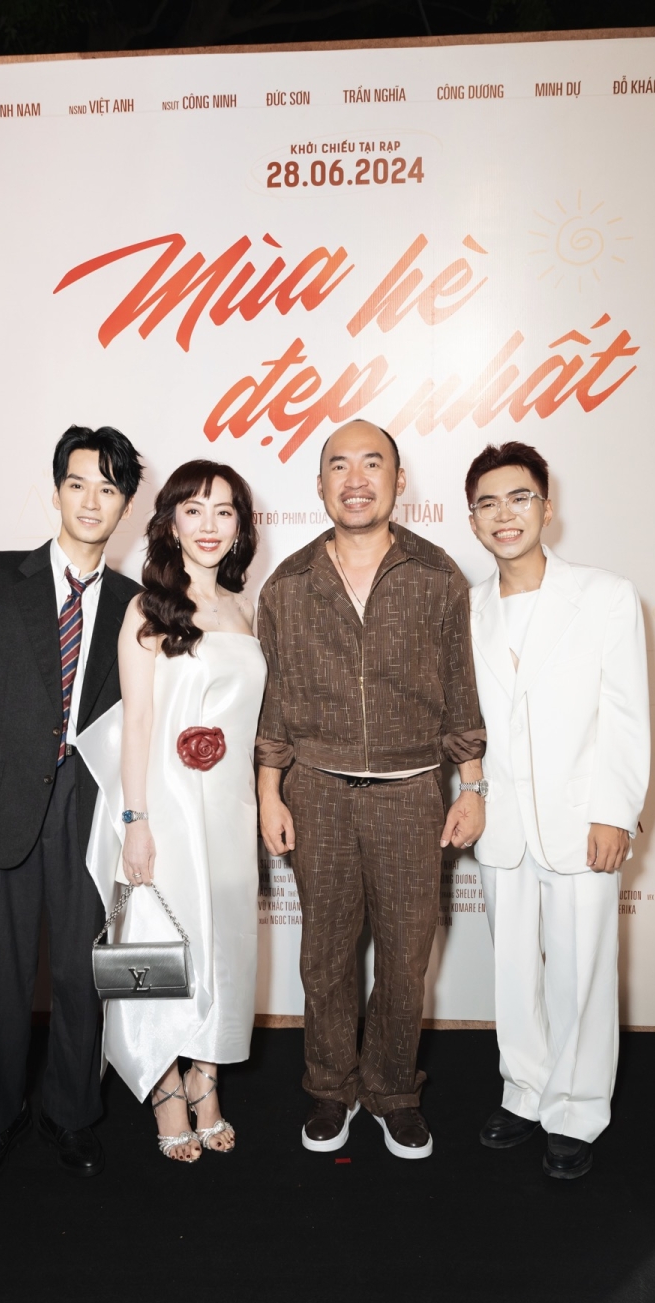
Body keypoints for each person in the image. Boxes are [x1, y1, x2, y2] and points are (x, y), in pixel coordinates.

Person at [256, 419, 487, 1160]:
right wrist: (269, 792)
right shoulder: (287, 584)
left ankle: (393, 1091)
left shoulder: (437, 575)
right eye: (339, 466)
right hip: (316, 792)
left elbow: (461, 692)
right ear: (320, 484)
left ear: (398, 480)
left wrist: (473, 785)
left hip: (412, 793)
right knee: (323, 956)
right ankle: (330, 1088)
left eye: (372, 463)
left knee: (404, 955)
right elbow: (274, 703)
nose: (355, 480)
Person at [0, 425, 143, 1188]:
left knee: (84, 975)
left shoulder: (135, 605)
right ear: (56, 491)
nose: (91, 501)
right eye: (78, 483)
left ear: (125, 505)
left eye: (108, 489)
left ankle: (70, 1112)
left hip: (89, 809)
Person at [465, 441, 650, 1179]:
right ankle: (525, 1090)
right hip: (501, 824)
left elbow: (626, 714)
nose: (504, 515)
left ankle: (576, 1107)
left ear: (548, 506)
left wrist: (616, 811)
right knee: (512, 971)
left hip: (582, 820)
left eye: (519, 498)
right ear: (472, 519)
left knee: (582, 973)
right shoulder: (467, 608)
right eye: (487, 503)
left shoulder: (605, 595)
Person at [77, 461, 265, 1163]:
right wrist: (136, 821)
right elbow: (138, 721)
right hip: (165, 805)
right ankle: (163, 1088)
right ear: (171, 524)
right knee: (156, 946)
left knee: (223, 945)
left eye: (224, 512)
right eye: (194, 510)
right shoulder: (148, 609)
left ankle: (206, 1082)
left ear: (240, 527)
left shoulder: (244, 609)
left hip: (230, 809)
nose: (209, 525)